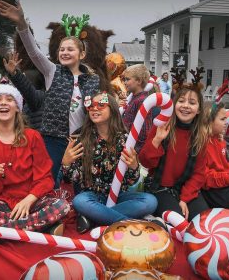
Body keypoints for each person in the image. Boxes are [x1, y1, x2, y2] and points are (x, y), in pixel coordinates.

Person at [0, 0, 100, 187]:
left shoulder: (93, 80)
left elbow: (97, 107)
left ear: (82, 55)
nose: (64, 52)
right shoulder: (52, 71)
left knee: (78, 184)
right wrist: (22, 24)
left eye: (70, 49)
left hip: (79, 141)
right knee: (48, 182)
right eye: (61, 49)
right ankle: (49, 214)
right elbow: (34, 52)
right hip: (52, 139)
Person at [0, 84, 70, 246]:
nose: (3, 103)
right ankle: (35, 230)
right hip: (3, 202)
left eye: (9, 99)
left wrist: (28, 200)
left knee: (61, 205)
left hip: (32, 201)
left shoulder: (33, 137)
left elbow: (46, 179)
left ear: (17, 107)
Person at [62, 92, 158, 233]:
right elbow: (73, 179)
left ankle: (96, 218)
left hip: (119, 196)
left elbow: (131, 181)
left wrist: (134, 167)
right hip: (91, 197)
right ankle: (130, 224)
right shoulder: (81, 139)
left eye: (101, 105)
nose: (95, 109)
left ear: (112, 109)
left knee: (150, 201)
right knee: (80, 202)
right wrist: (66, 164)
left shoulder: (125, 140)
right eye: (90, 106)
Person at [139, 79, 210, 221]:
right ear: (174, 104)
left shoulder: (200, 136)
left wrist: (184, 198)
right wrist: (157, 140)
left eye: (192, 102)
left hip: (187, 188)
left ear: (199, 109)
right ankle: (156, 220)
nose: (185, 106)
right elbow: (145, 162)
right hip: (160, 187)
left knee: (203, 221)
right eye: (181, 101)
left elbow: (199, 174)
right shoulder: (162, 125)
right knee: (178, 221)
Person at [122, 64, 160, 153]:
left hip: (134, 149)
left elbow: (144, 131)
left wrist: (137, 151)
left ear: (139, 81)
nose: (124, 82)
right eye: (124, 79)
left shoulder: (141, 101)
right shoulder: (134, 98)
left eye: (127, 79)